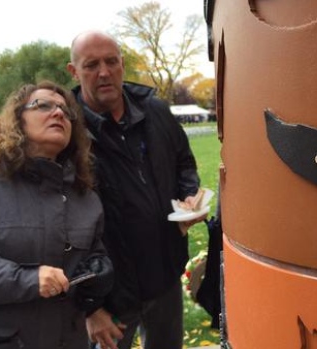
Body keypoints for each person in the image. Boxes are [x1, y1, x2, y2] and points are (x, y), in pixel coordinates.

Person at [0, 81, 114, 349]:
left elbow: (93, 251)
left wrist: (98, 270)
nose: (59, 113)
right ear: (16, 119)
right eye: (44, 105)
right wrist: (26, 279)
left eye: (66, 111)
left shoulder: (84, 195)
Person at [67, 30, 205, 349]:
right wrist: (90, 307)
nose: (104, 72)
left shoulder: (155, 111)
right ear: (74, 71)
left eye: (111, 61)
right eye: (91, 65)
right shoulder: (68, 130)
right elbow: (54, 225)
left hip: (164, 275)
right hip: (109, 293)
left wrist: (188, 195)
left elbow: (183, 162)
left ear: (122, 64)